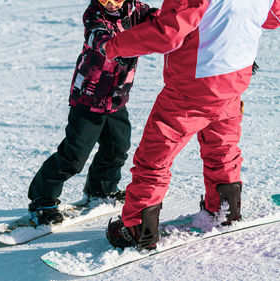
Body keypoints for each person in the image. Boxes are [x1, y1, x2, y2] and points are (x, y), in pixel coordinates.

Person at [93, 0, 280, 250]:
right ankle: (226, 210)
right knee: (223, 150)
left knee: (154, 159)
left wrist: (111, 45)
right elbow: (272, 17)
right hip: (233, 82)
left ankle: (137, 228)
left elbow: (167, 34)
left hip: (191, 90)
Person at [27, 0, 158, 226]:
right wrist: (140, 42)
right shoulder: (94, 17)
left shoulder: (138, 11)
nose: (110, 3)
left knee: (117, 147)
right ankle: (43, 199)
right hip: (88, 98)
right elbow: (100, 40)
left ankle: (101, 190)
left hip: (116, 98)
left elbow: (161, 20)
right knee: (74, 155)